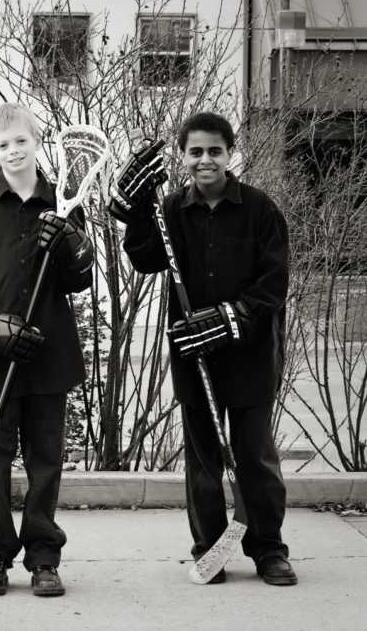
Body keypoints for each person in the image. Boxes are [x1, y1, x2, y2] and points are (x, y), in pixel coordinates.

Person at [109, 111, 296, 586]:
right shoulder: (169, 209)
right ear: (183, 157)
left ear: (230, 154)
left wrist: (232, 317)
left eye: (214, 150)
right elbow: (146, 258)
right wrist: (135, 211)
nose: (205, 160)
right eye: (195, 152)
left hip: (250, 355)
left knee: (254, 456)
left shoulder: (260, 209)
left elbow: (273, 285)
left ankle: (268, 549)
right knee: (203, 460)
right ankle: (209, 547)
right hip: (195, 356)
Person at [0, 103, 93, 596]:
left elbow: (81, 279)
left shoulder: (64, 203)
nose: (13, 151)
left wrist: (72, 243)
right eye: (3, 145)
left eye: (21, 141)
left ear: (37, 141)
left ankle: (44, 557)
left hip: (49, 356)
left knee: (45, 458)